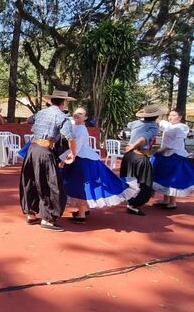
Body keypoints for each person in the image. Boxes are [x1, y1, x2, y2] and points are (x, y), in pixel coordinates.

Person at [59, 108, 139, 223]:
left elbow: (76, 147)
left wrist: (63, 159)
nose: (77, 115)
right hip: (80, 158)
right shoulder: (74, 126)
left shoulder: (81, 129)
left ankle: (81, 214)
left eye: (80, 114)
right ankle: (83, 210)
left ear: (86, 117)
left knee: (78, 185)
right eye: (76, 113)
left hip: (82, 160)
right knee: (79, 184)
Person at [19, 90, 77, 232]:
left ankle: (31, 214)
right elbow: (70, 138)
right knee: (51, 184)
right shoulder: (62, 117)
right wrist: (73, 154)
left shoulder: (41, 113)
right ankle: (48, 219)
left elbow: (29, 120)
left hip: (32, 149)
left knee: (31, 180)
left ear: (52, 101)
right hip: (45, 151)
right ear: (63, 103)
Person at [151, 110, 194, 209]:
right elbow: (160, 122)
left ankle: (172, 202)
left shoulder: (182, 127)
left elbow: (176, 143)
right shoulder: (169, 125)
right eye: (170, 115)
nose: (171, 117)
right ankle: (166, 199)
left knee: (173, 178)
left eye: (174, 115)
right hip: (165, 155)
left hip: (175, 155)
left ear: (180, 117)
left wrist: (162, 149)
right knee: (164, 177)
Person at [120, 105, 162, 216]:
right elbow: (143, 139)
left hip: (129, 155)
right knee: (145, 183)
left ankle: (130, 200)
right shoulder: (154, 126)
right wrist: (133, 146)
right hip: (139, 156)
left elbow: (129, 125)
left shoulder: (135, 123)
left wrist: (130, 146)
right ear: (156, 116)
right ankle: (133, 204)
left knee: (129, 178)